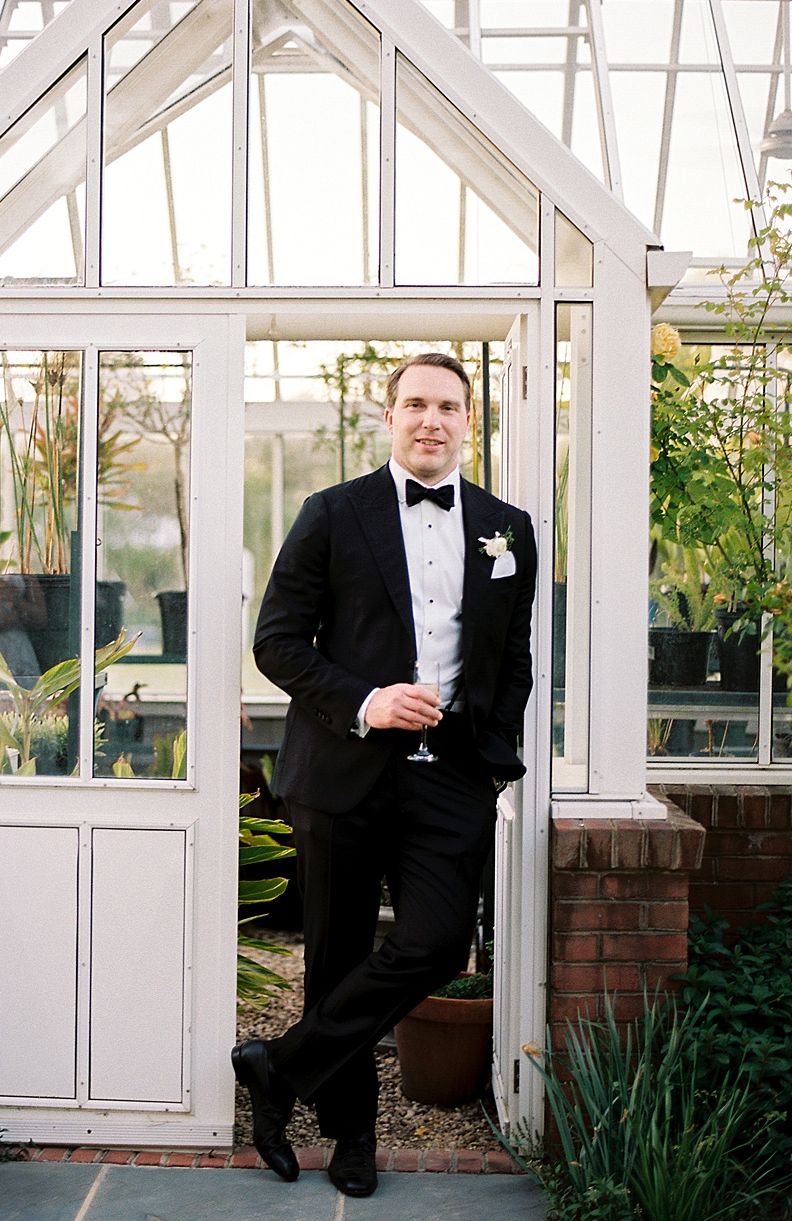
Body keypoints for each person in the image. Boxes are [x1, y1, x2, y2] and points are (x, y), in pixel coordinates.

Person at [232, 352, 537, 1198]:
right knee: (334, 957)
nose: (430, 419)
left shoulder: (509, 528)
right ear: (390, 416)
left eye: (447, 406)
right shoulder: (331, 513)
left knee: (436, 941)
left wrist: (493, 761)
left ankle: (278, 1069)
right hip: (342, 769)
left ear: (469, 421)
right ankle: (351, 1136)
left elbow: (513, 659)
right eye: (415, 405)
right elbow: (277, 643)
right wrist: (366, 700)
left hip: (453, 777)